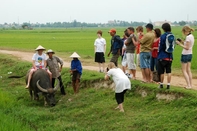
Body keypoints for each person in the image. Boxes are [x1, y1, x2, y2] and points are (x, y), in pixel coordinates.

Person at [157, 23, 174, 89]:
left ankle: (161, 84)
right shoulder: (172, 35)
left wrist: (158, 55)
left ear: (164, 29)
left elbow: (160, 46)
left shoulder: (163, 36)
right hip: (170, 56)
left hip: (162, 56)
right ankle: (168, 85)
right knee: (169, 71)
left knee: (161, 72)